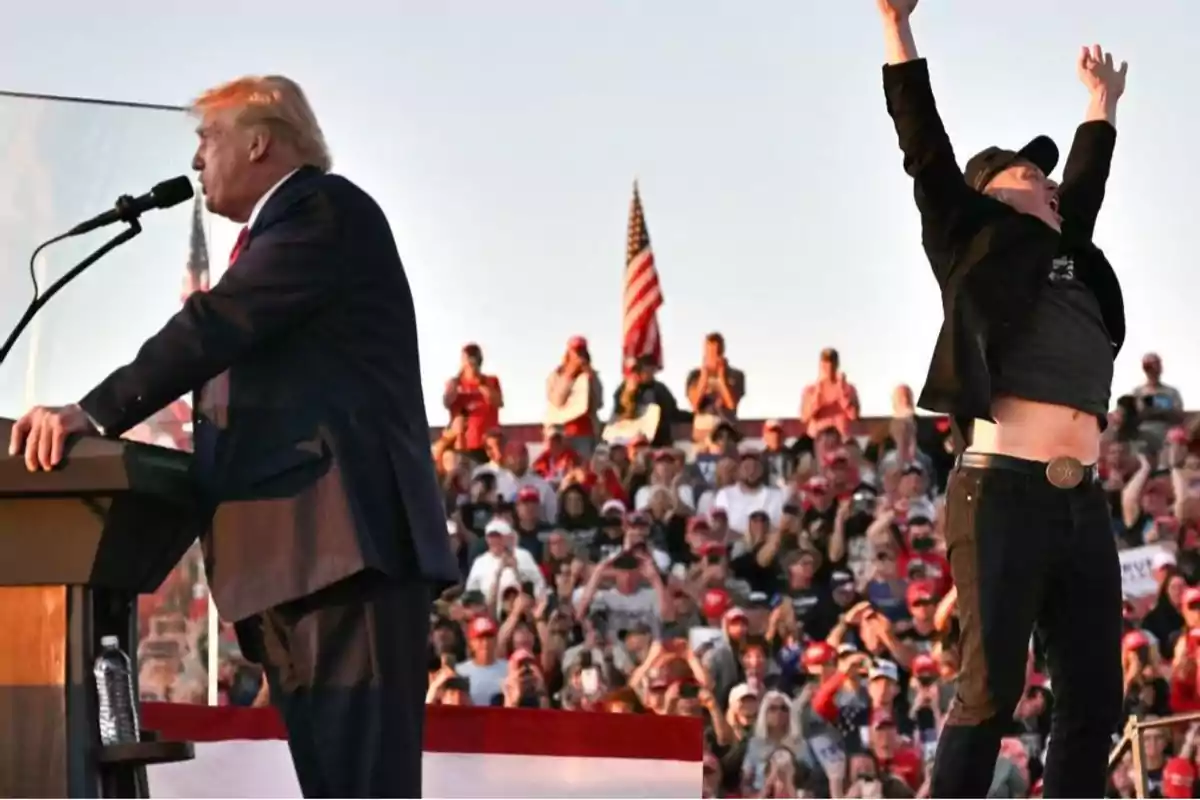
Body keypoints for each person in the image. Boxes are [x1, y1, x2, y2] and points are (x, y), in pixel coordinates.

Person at [8, 74, 458, 797]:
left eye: (206, 138)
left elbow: (215, 323)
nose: (195, 160)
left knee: (361, 785)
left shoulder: (324, 211)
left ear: (259, 141)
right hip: (298, 562)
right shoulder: (282, 233)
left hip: (344, 556)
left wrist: (91, 415)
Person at [876, 0, 1128, 795]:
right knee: (990, 693)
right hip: (1002, 491)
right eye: (1031, 173)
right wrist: (896, 27)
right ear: (990, 192)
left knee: (1094, 699)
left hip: (1080, 502)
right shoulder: (970, 233)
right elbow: (923, 143)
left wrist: (1101, 104)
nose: (1051, 182)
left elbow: (1085, 179)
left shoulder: (1067, 249)